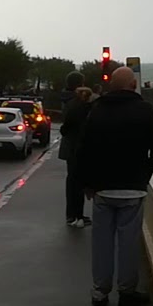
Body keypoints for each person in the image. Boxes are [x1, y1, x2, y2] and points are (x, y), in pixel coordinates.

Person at [72, 66, 153, 306]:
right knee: (128, 242)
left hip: (103, 188)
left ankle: (100, 292)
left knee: (102, 243)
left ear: (110, 85)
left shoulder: (97, 110)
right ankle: (127, 291)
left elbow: (83, 150)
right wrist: (144, 173)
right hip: (133, 189)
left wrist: (88, 183)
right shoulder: (146, 111)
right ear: (134, 85)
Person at [58, 73, 94, 227]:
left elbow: (64, 127)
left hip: (69, 147)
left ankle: (74, 215)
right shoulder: (77, 103)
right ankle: (75, 215)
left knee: (73, 181)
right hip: (76, 147)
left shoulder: (66, 99)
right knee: (76, 182)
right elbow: (69, 127)